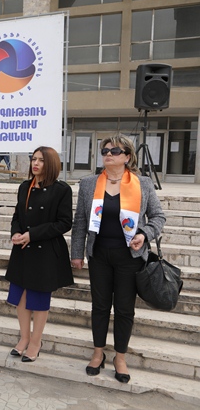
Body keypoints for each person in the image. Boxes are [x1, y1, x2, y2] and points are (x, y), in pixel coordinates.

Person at [71, 135, 166, 384]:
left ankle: (120, 357)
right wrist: (76, 253)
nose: (108, 154)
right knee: (100, 306)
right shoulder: (89, 183)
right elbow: (80, 221)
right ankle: (98, 352)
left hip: (130, 257)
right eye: (105, 151)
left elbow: (158, 217)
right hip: (99, 255)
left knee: (124, 308)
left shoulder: (142, 183)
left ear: (127, 156)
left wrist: (144, 234)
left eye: (115, 151)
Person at [5, 146, 73, 362]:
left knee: (39, 298)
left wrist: (32, 235)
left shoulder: (61, 190)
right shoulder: (25, 186)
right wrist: (16, 232)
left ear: (51, 164)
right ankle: (24, 338)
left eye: (41, 160)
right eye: (34, 159)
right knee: (20, 296)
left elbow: (64, 223)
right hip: (23, 250)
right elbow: (17, 215)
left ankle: (36, 341)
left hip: (45, 252)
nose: (35, 163)